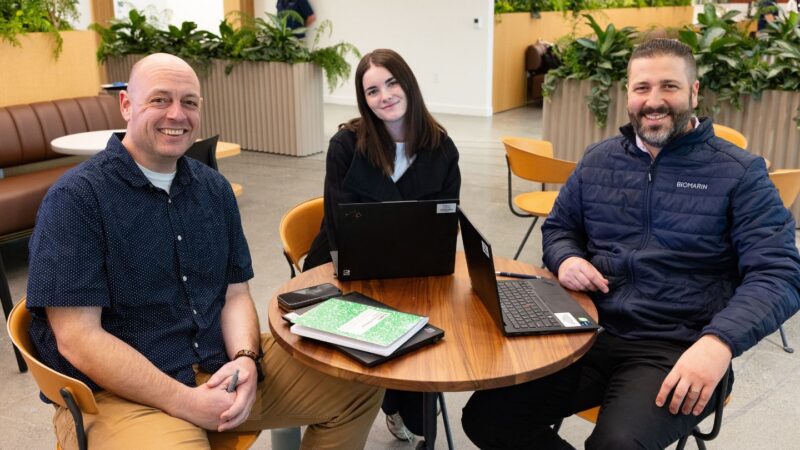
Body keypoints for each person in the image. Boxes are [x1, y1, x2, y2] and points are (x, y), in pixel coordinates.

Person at [26, 53, 383, 450]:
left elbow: (235, 294)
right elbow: (78, 339)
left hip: (219, 365)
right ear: (126, 104)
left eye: (189, 102)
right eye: (160, 100)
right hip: (123, 393)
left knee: (358, 387)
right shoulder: (77, 199)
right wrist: (185, 402)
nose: (177, 114)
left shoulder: (213, 190)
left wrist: (247, 358)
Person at [461, 38, 800, 449]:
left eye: (669, 87)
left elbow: (779, 273)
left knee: (616, 445)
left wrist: (719, 342)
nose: (653, 101)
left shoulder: (739, 173)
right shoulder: (598, 159)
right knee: (488, 418)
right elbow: (559, 228)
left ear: (694, 92)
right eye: (642, 88)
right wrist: (566, 258)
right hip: (587, 332)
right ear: (628, 94)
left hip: (680, 346)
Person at [303, 48, 461, 441]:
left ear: (408, 84)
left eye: (391, 83)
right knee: (375, 328)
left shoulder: (441, 147)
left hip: (414, 265)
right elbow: (339, 223)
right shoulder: (346, 144)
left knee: (433, 328)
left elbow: (446, 223)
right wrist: (362, 277)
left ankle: (401, 406)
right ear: (364, 100)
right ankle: (392, 402)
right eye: (372, 90)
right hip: (347, 263)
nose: (385, 96)